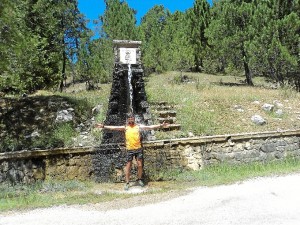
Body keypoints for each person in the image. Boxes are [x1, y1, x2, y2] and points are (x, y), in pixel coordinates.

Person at [95, 114, 168, 190]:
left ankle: (139, 179)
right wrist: (103, 126)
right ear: (128, 120)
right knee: (128, 166)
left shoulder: (138, 127)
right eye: (129, 119)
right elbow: (114, 128)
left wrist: (161, 125)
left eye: (132, 119)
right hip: (129, 149)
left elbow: (149, 127)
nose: (131, 120)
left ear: (134, 119)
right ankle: (127, 183)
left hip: (138, 149)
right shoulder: (125, 127)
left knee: (139, 165)